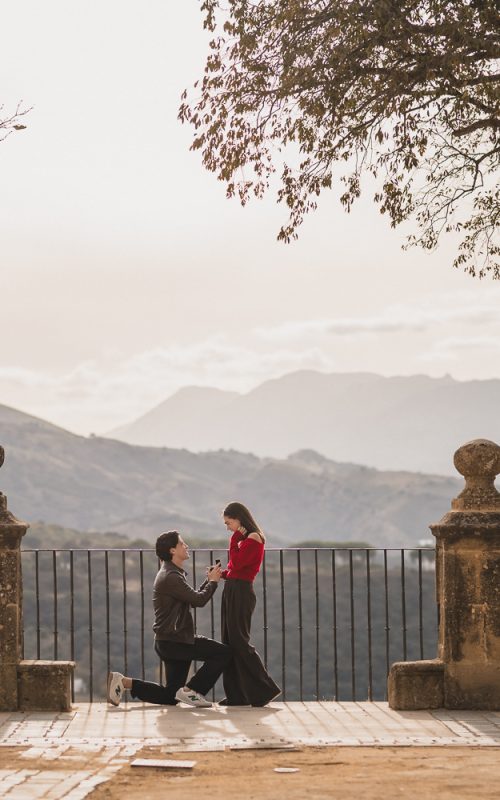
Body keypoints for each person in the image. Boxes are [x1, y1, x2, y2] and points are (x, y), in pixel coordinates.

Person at [107, 530, 231, 708]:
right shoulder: (171, 577)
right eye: (182, 544)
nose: (186, 546)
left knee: (171, 696)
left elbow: (192, 599)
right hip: (177, 642)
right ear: (172, 550)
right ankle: (192, 691)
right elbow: (199, 600)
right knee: (223, 653)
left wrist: (209, 581)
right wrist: (212, 583)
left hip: (168, 641)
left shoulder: (172, 573)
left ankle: (124, 682)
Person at [219, 501, 281, 706]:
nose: (228, 527)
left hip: (242, 591)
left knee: (239, 641)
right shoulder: (244, 539)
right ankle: (238, 695)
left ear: (239, 518)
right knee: (229, 642)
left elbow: (237, 564)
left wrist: (235, 539)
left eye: (229, 523)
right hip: (233, 588)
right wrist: (222, 574)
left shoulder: (253, 538)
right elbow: (235, 569)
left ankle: (265, 689)